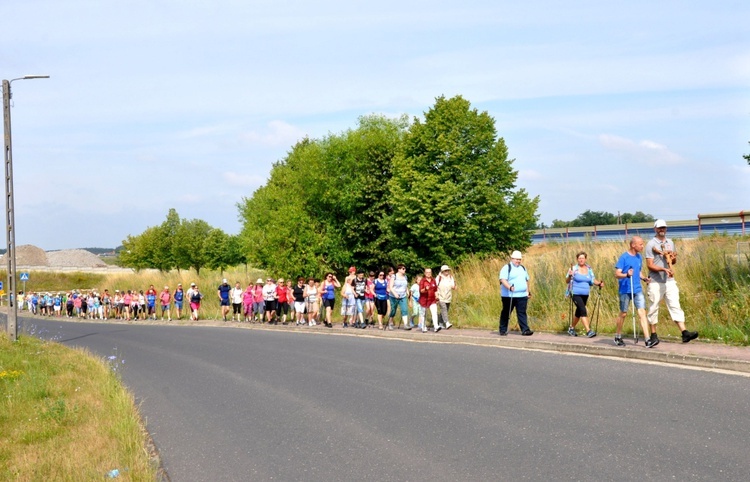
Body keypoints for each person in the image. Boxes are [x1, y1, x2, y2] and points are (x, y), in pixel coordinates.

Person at [645, 220, 699, 344]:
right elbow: (650, 265)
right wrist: (663, 269)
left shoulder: (670, 242)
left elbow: (672, 262)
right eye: (659, 228)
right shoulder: (651, 244)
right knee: (653, 307)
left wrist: (672, 259)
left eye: (663, 228)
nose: (661, 230)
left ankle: (684, 332)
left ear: (666, 229)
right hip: (655, 281)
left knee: (675, 305)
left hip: (669, 280)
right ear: (655, 229)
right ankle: (653, 335)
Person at [614, 236, 652, 346]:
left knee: (642, 312)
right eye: (640, 244)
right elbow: (617, 274)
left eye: (642, 244)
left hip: (637, 289)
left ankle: (647, 339)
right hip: (625, 289)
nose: (642, 246)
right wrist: (626, 274)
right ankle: (618, 336)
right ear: (633, 245)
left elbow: (638, 272)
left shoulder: (639, 257)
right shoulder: (624, 257)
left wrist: (644, 278)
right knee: (624, 313)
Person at [565, 252, 603, 338]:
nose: (581, 260)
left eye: (583, 258)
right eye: (579, 258)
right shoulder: (573, 269)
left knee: (579, 312)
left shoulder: (589, 269)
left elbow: (592, 280)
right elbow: (567, 281)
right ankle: (588, 331)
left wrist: (599, 283)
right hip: (575, 293)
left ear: (585, 259)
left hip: (585, 294)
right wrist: (570, 276)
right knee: (583, 310)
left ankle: (571, 328)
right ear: (577, 259)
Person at [498, 251, 534, 336]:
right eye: (517, 259)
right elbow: (502, 280)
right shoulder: (507, 267)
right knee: (506, 312)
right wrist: (509, 287)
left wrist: (527, 291)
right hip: (509, 295)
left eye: (520, 259)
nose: (518, 261)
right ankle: (503, 329)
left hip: (522, 295)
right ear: (512, 259)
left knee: (522, 312)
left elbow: (526, 280)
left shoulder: (523, 268)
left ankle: (525, 330)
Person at [388, 264, 409, 330]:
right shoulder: (394, 276)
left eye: (405, 268)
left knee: (404, 309)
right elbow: (390, 287)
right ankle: (390, 322)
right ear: (399, 269)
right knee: (393, 310)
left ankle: (405, 324)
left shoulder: (405, 277)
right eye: (403, 268)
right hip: (393, 296)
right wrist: (395, 294)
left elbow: (405, 286)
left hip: (403, 296)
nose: (404, 270)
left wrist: (408, 292)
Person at [418, 268, 439, 333]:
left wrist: (437, 296)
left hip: (432, 300)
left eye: (429, 272)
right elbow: (421, 291)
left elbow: (435, 290)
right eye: (427, 272)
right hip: (424, 300)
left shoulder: (433, 280)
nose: (428, 274)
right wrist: (425, 289)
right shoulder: (422, 281)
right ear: (425, 273)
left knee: (434, 312)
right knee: (423, 314)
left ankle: (436, 326)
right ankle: (423, 327)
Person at [436, 265, 456, 330]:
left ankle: (440, 323)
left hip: (448, 297)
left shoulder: (450, 277)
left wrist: (454, 287)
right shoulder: (439, 277)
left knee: (445, 310)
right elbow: (435, 287)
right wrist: (436, 296)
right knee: (444, 308)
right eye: (445, 270)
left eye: (447, 270)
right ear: (442, 271)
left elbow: (453, 286)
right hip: (440, 296)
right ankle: (447, 323)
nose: (447, 271)